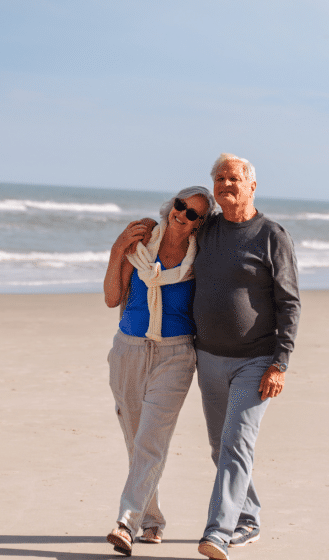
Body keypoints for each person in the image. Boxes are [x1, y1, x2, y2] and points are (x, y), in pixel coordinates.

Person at [194, 154, 300, 560]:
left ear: (252, 185)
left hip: (256, 361)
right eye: (219, 178)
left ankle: (218, 533)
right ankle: (249, 516)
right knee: (220, 447)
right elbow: (175, 230)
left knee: (236, 444)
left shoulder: (272, 235)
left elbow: (289, 302)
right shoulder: (207, 231)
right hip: (208, 358)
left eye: (233, 178)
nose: (226, 184)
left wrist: (281, 362)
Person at [103, 186, 215, 557]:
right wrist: (118, 249)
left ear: (200, 223)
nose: (183, 214)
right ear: (172, 206)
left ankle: (126, 522)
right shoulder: (139, 243)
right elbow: (111, 298)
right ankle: (153, 520)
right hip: (129, 351)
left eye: (193, 213)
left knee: (151, 439)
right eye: (180, 206)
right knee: (136, 440)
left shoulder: (201, 259)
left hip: (175, 356)